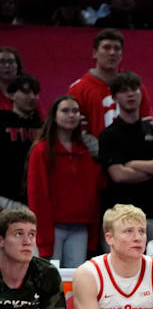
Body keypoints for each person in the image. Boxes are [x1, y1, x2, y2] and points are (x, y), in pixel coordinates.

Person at [27, 95, 103, 266]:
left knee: (75, 282)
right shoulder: (41, 151)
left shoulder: (85, 152)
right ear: (54, 116)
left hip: (80, 228)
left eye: (75, 111)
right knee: (48, 283)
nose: (71, 115)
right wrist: (43, 238)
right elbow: (37, 195)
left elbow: (92, 194)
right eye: (65, 110)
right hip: (51, 228)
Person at [99, 71, 153, 232]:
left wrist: (134, 164)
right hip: (121, 216)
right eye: (124, 90)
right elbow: (119, 175)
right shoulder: (108, 135)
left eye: (134, 89)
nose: (130, 94)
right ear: (114, 97)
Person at [68, 29, 153, 142]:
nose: (112, 53)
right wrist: (106, 152)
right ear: (95, 53)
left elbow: (148, 125)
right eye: (106, 48)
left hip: (134, 156)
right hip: (94, 157)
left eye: (117, 48)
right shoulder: (78, 89)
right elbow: (77, 132)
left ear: (122, 54)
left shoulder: (137, 88)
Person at [0, 73, 43, 208]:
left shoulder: (43, 126)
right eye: (26, 92)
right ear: (11, 95)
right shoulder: (2, 121)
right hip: (5, 197)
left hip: (34, 197)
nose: (32, 97)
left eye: (35, 93)